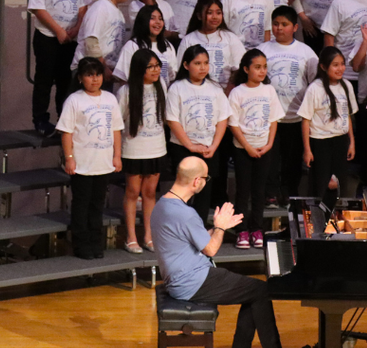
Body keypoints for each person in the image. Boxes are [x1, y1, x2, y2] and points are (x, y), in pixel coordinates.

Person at [153, 156, 310, 348]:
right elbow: (211, 249)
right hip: (192, 281)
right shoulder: (185, 214)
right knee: (261, 290)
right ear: (196, 181)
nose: (206, 182)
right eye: (206, 178)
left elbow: (195, 240)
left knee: (253, 291)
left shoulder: (163, 204)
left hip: (184, 277)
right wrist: (219, 228)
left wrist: (220, 226)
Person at [57, 58, 123, 259]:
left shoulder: (110, 99)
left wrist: (117, 156)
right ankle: (81, 243)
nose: (95, 79)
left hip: (103, 162)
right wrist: (69, 158)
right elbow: (67, 132)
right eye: (89, 75)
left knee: (97, 204)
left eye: (98, 74)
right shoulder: (74, 100)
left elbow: (116, 129)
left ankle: (96, 242)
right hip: (82, 162)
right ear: (80, 78)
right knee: (81, 204)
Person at [258, 6, 318, 206]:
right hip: (270, 117)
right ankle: (270, 193)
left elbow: (314, 81)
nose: (279, 28)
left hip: (296, 116)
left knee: (292, 159)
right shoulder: (263, 50)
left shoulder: (306, 52)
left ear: (295, 27)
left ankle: (290, 192)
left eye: (284, 24)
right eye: (275, 24)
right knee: (271, 158)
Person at [28, 0, 86, 136]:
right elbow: (38, 9)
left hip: (70, 38)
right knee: (44, 80)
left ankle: (64, 119)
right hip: (47, 37)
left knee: (66, 80)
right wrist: (58, 31)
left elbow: (82, 6)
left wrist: (76, 28)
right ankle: (41, 120)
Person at [166, 45, 232, 222]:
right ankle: (180, 230)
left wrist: (214, 146)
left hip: (209, 149)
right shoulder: (177, 88)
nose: (203, 67)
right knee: (183, 193)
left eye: (205, 63)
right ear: (186, 65)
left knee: (205, 193)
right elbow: (172, 120)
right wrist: (190, 145)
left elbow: (222, 120)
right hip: (183, 148)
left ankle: (199, 231)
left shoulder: (215, 88)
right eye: (197, 63)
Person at [227, 50, 284, 249]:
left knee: (259, 191)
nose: (262, 71)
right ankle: (241, 230)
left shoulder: (269, 90)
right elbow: (233, 124)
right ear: (246, 69)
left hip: (264, 148)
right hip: (243, 149)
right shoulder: (237, 92)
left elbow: (274, 119)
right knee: (243, 191)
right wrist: (248, 147)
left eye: (264, 67)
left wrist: (269, 144)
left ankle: (257, 228)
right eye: (257, 67)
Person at [116, 49, 167, 253]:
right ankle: (131, 237)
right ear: (139, 69)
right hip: (134, 150)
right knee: (132, 192)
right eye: (151, 67)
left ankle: (148, 235)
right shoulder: (126, 91)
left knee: (150, 193)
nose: (156, 70)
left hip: (156, 148)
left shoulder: (161, 86)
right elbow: (118, 121)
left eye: (157, 66)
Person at [297, 47, 357, 198]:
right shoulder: (315, 88)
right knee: (320, 183)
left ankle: (338, 211)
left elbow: (347, 115)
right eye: (335, 65)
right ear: (323, 67)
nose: (340, 68)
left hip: (341, 140)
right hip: (320, 142)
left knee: (340, 183)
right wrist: (307, 150)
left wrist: (351, 141)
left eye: (342, 64)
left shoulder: (347, 85)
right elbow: (305, 120)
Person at [70, 0, 131, 84]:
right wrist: (103, 67)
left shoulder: (118, 13)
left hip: (103, 69)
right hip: (89, 69)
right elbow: (91, 42)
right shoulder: (100, 8)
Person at [177, 0, 246, 88]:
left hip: (225, 90)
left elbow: (239, 68)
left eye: (218, 13)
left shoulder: (231, 38)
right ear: (199, 16)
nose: (215, 17)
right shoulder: (188, 40)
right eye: (209, 13)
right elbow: (181, 70)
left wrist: (228, 90)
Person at [113, 4, 179, 87]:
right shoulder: (132, 46)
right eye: (152, 18)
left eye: (160, 19)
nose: (158, 22)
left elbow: (172, 77)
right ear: (143, 21)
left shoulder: (168, 46)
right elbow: (123, 79)